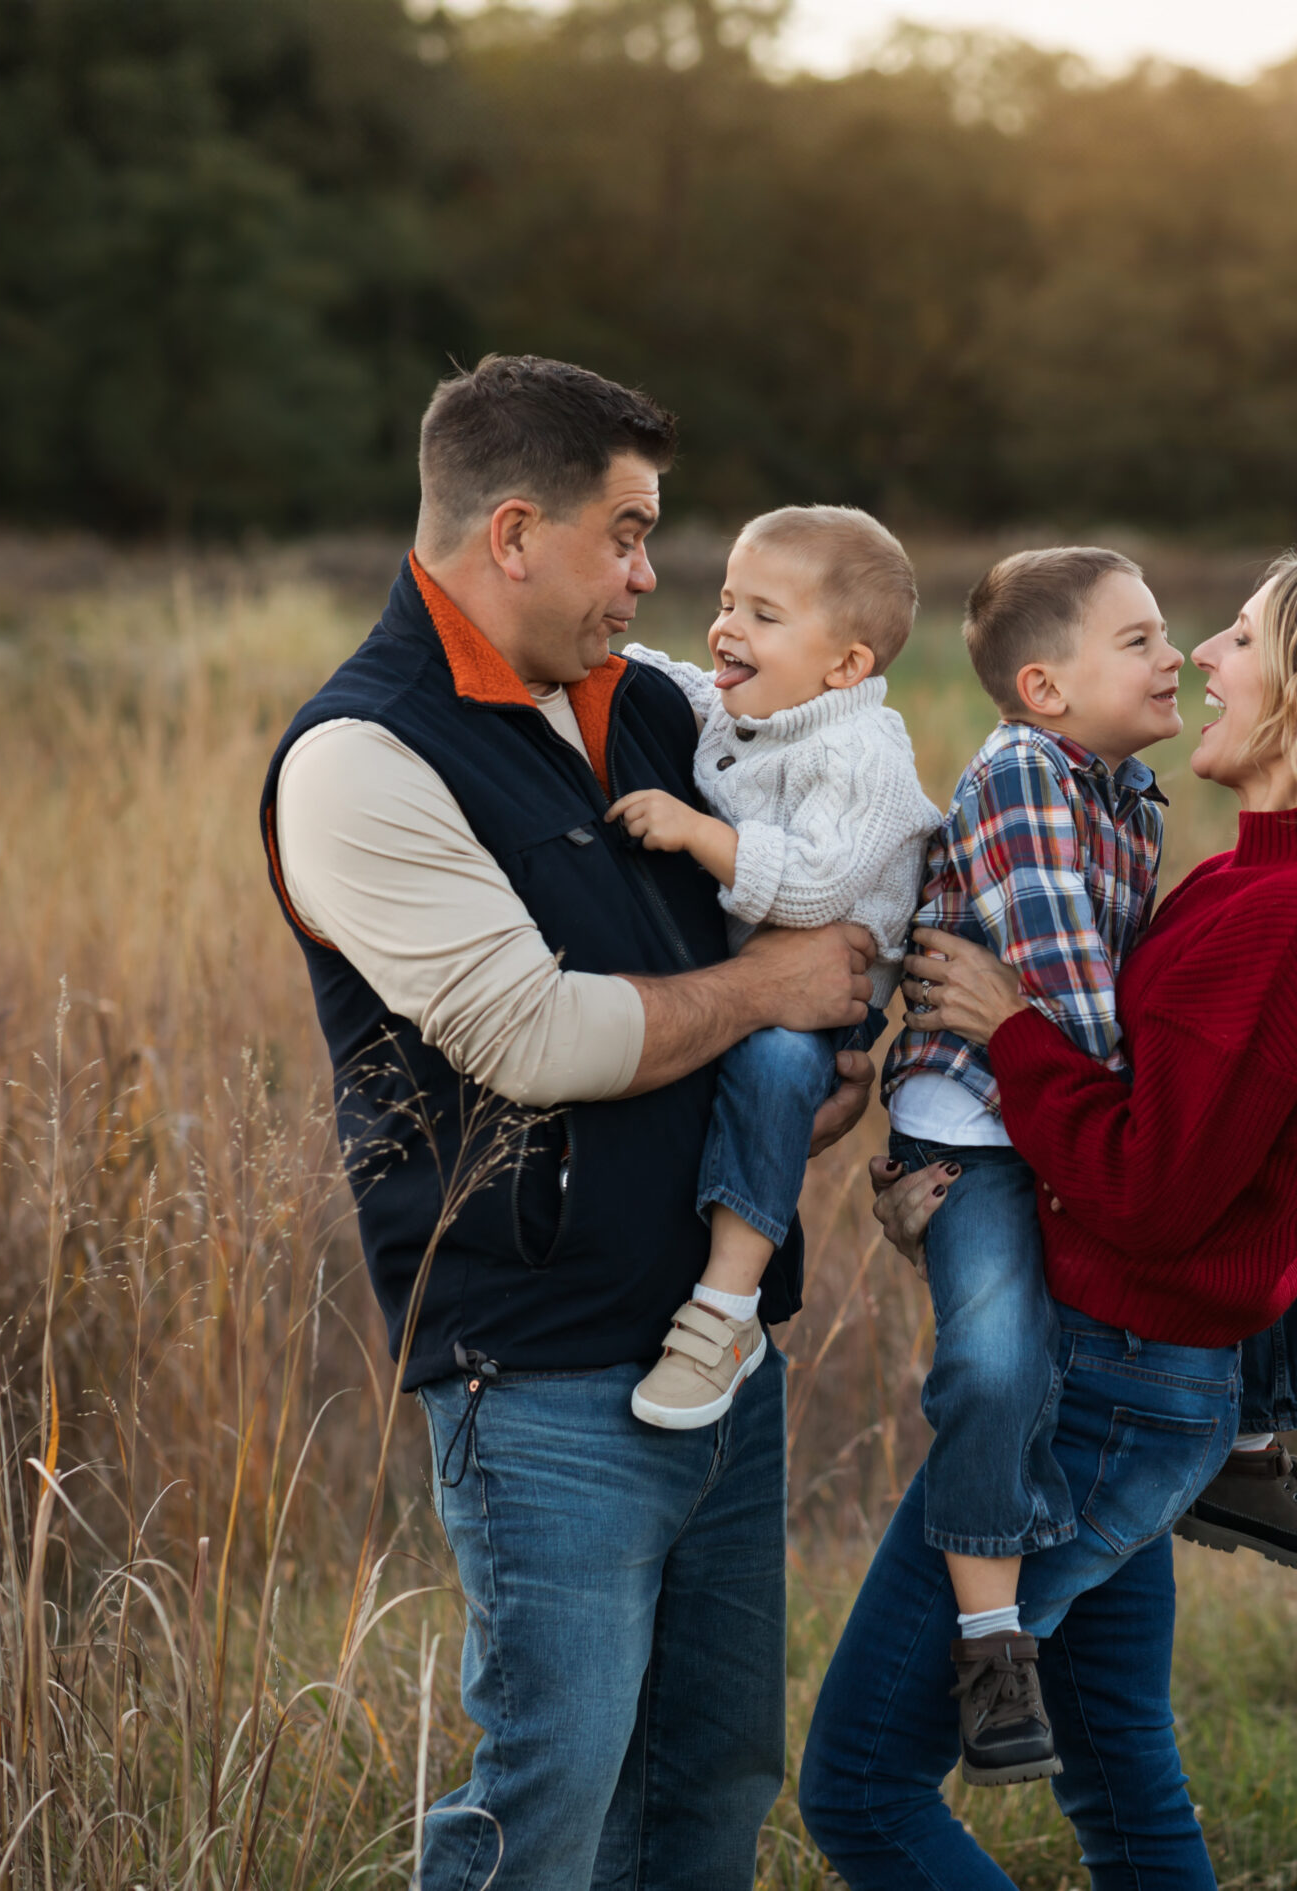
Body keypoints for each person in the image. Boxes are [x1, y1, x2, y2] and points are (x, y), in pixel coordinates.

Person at [261, 355, 876, 1891]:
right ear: (516, 531)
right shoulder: (361, 758)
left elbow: (834, 837)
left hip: (722, 1349)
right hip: (537, 1373)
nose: (651, 577)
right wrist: (772, 989)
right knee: (544, 1811)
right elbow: (536, 1035)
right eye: (629, 533)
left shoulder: (664, 704)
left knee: (707, 1788)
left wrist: (821, 1057)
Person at [799, 552, 1297, 1889]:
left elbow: (1154, 1189)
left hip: (1104, 1390)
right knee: (1117, 1761)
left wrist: (1008, 1031)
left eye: (1240, 636)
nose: (1202, 659)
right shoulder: (1263, 879)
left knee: (865, 1787)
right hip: (1130, 1369)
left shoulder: (1289, 912)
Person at [873, 546, 1297, 1789]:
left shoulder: (1135, 796)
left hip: (1080, 1195)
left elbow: (1122, 1036)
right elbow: (1071, 991)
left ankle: (1247, 1449)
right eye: (1140, 639)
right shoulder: (1035, 777)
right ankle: (996, 1636)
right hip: (986, 1126)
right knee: (990, 1358)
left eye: (1208, 639)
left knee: (949, 1778)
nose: (1182, 655)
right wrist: (1118, 1111)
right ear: (1042, 686)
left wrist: (1129, 1122)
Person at [607, 506, 940, 1428]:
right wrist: (602, 656)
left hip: (827, 993)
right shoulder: (752, 704)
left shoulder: (858, 750)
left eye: (762, 614)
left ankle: (725, 1307)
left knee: (775, 1068)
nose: (726, 629)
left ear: (846, 666)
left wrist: (698, 831)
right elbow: (678, 682)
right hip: (758, 978)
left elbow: (815, 887)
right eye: (725, 602)